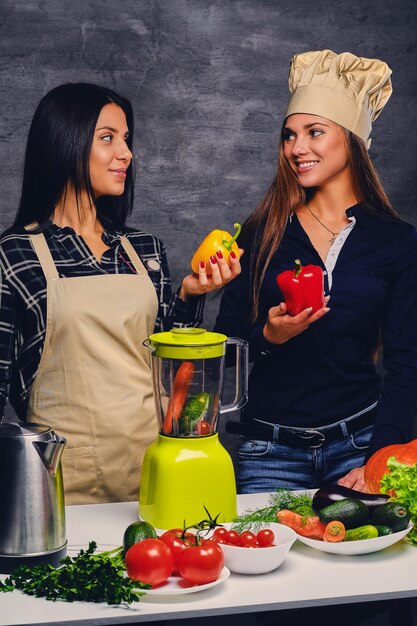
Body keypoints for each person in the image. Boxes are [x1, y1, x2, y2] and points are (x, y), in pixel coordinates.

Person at [0, 82, 241, 505]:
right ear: (65, 143)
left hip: (154, 473)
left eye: (126, 139)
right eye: (108, 138)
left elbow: (171, 370)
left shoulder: (144, 250)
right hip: (62, 485)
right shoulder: (15, 256)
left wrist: (190, 295)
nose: (126, 153)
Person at [214, 50, 417, 493]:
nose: (296, 148)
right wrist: (270, 336)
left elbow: (407, 365)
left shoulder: (396, 242)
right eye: (289, 135)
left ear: (352, 140)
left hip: (360, 445)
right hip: (269, 453)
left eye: (314, 132)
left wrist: (380, 459)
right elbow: (226, 335)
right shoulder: (263, 231)